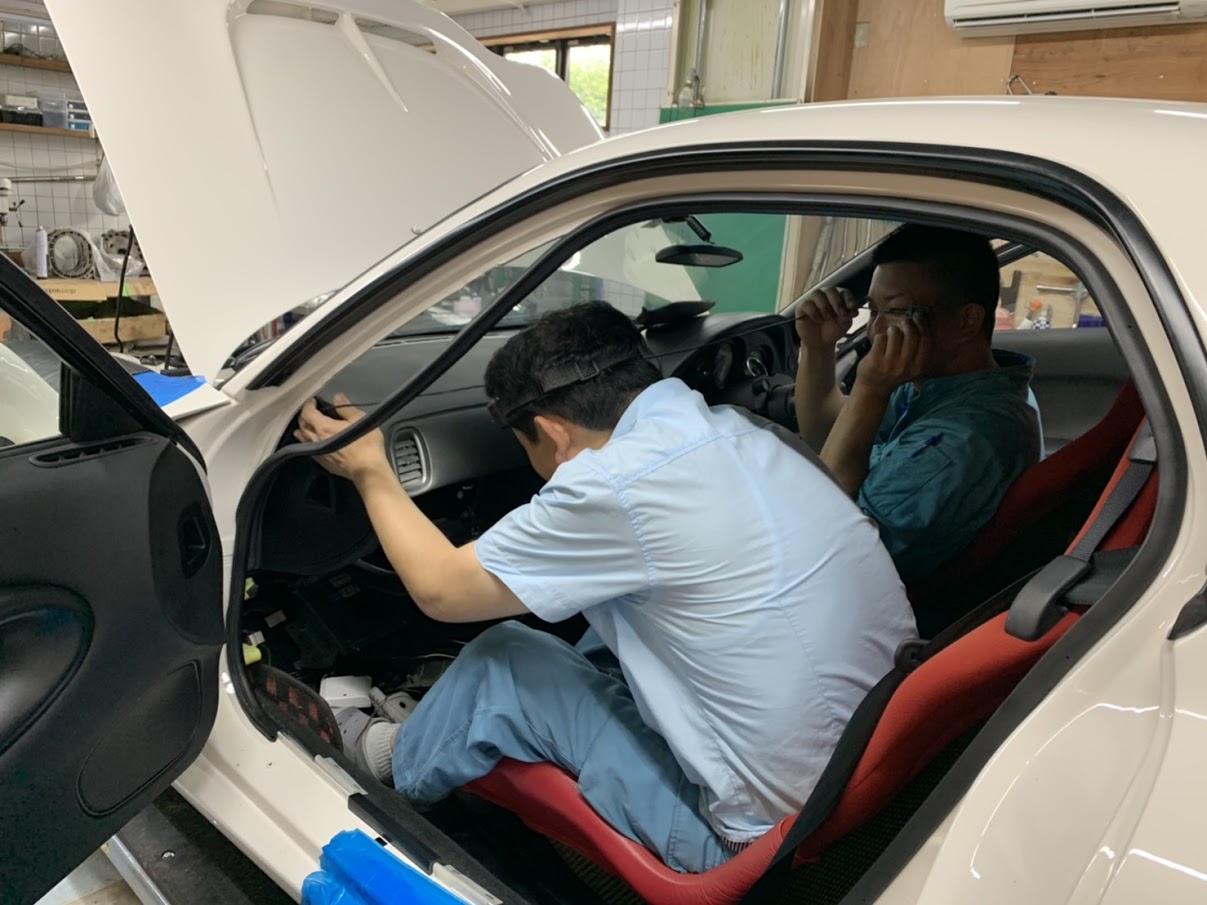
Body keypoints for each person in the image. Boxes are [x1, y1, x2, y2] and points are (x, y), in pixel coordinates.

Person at [295, 301, 915, 874]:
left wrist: (371, 470)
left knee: (504, 659)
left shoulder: (613, 484)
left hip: (756, 842)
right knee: (614, 615)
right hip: (874, 771)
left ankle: (384, 759)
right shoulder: (746, 430)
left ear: (554, 434)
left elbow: (439, 591)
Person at [794, 225, 1042, 591]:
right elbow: (830, 440)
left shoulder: (960, 442)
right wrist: (818, 349)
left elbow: (825, 540)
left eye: (896, 311)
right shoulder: (942, 385)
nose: (874, 332)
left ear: (967, 321)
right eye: (873, 310)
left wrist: (870, 389)